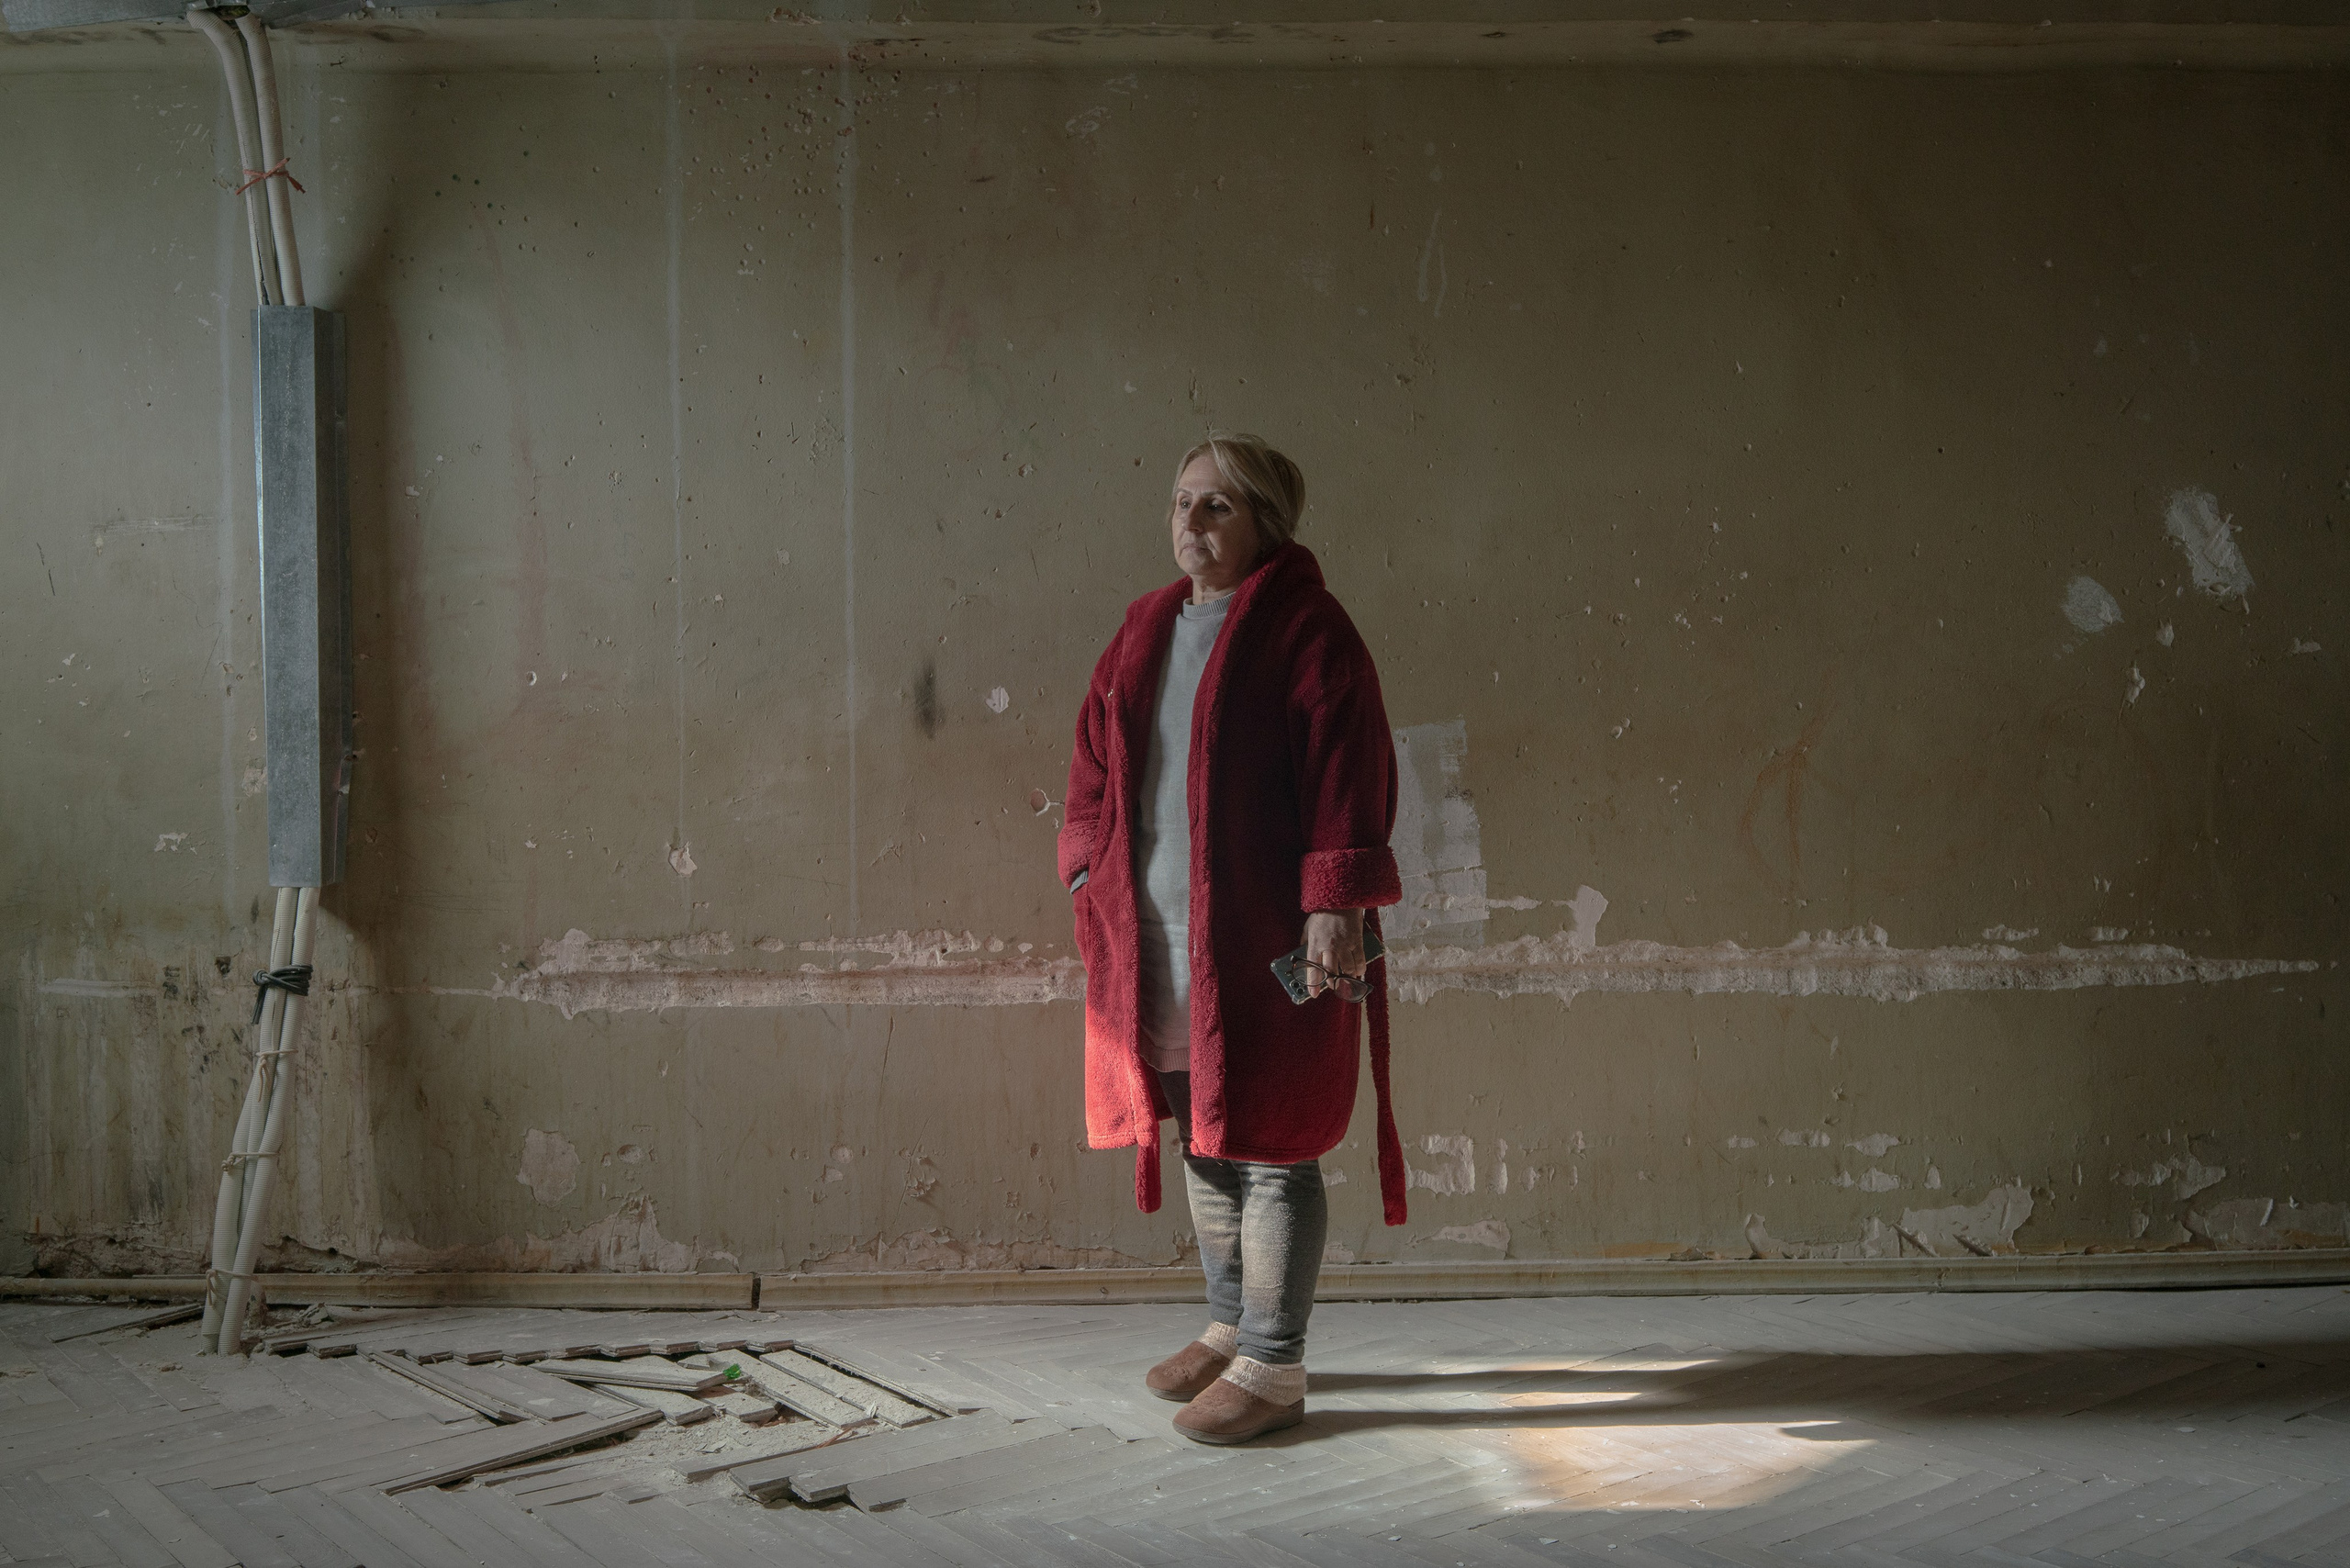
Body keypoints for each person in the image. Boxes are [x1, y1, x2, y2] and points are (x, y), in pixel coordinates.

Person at [1059, 432, 1408, 1446]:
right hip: (1158, 935)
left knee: (1274, 1147)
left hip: (1274, 935)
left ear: (1266, 522)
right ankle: (1227, 1322)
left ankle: (1273, 1360)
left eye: (1216, 506)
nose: (1191, 525)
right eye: (1180, 503)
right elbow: (1090, 762)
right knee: (1204, 1133)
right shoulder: (1142, 628)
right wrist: (1086, 864)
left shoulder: (1309, 631)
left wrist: (1334, 905)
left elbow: (1351, 773)